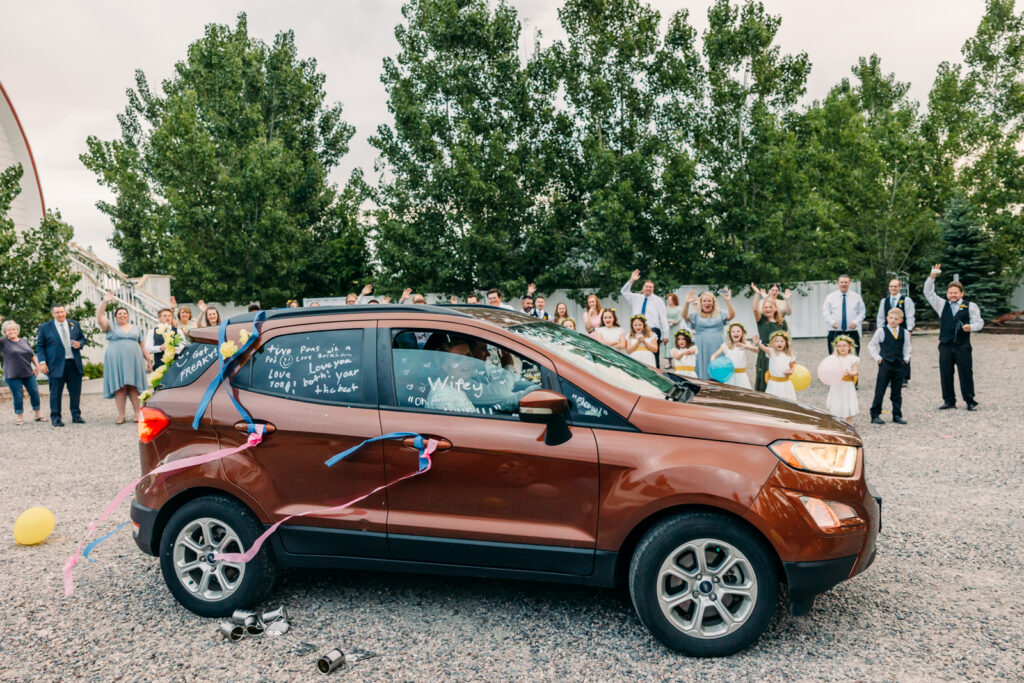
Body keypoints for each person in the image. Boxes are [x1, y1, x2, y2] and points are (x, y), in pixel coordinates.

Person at [924, 264, 983, 410]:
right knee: (945, 373)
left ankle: (970, 400)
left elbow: (979, 322)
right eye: (950, 293)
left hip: (962, 345)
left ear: (962, 293)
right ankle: (949, 400)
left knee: (965, 373)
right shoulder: (941, 305)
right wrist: (932, 277)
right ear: (947, 294)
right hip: (945, 344)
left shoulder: (971, 306)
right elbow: (928, 292)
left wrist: (971, 327)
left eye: (956, 293)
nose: (953, 295)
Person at [98, 292, 151, 424]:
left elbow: (142, 345)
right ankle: (121, 415)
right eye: (119, 313)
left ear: (128, 315)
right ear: (115, 316)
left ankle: (137, 413)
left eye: (124, 313)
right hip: (116, 359)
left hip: (134, 360)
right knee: (120, 387)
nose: (122, 315)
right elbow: (100, 317)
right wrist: (105, 302)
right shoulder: (110, 326)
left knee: (134, 386)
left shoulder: (136, 328)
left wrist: (148, 360)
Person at [36, 303, 87, 426]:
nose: (60, 314)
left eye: (62, 311)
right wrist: (42, 363)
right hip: (55, 366)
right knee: (55, 393)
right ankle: (56, 418)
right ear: (53, 314)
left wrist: (80, 344)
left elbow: (83, 339)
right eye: (57, 312)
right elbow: (40, 346)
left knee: (75, 392)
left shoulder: (75, 324)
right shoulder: (45, 327)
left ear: (65, 312)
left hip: (73, 364)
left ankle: (76, 415)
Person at [868, 307, 911, 425]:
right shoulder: (881, 331)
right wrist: (878, 358)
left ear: (901, 320)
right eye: (891, 318)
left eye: (896, 319)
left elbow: (907, 346)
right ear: (887, 318)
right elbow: (872, 345)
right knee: (880, 390)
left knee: (897, 391)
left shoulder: (904, 332)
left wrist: (906, 358)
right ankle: (875, 414)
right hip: (885, 364)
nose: (893, 321)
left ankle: (897, 414)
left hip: (899, 365)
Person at [682, 288, 736, 380]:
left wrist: (728, 301)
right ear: (701, 303)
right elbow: (685, 316)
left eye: (709, 301)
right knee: (703, 366)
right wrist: (686, 303)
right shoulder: (695, 315)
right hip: (701, 345)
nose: (707, 303)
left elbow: (731, 315)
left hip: (718, 344)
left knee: (718, 365)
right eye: (704, 301)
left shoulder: (720, 313)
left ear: (713, 302)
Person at [0, 317, 44, 424]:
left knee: (34, 392)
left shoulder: (24, 341)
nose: (12, 332)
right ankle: (20, 417)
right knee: (18, 395)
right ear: (5, 332)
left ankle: (37, 415)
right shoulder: (3, 342)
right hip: (12, 375)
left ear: (17, 330)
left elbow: (31, 355)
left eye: (13, 329)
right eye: (9, 330)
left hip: (28, 373)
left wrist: (37, 366)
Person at [620, 270, 669, 358]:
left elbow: (663, 318)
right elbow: (623, 292)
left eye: (651, 287)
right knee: (636, 354)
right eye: (647, 286)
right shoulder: (636, 298)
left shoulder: (658, 301)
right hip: (637, 329)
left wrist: (665, 334)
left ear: (653, 289)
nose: (648, 288)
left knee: (653, 356)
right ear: (643, 287)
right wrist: (631, 280)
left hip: (652, 331)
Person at [876, 278, 915, 386]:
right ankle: (888, 377)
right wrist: (880, 330)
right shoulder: (884, 301)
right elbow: (880, 317)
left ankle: (904, 377)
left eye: (895, 286)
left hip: (902, 330)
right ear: (889, 288)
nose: (893, 288)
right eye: (891, 286)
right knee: (887, 353)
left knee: (903, 352)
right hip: (887, 331)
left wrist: (909, 330)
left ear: (900, 287)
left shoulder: (906, 300)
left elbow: (910, 316)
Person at [425, 341, 478, 413]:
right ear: (445, 366)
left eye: (468, 356)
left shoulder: (458, 387)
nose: (466, 362)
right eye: (457, 359)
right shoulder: (443, 397)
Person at [822, 274, 865, 354]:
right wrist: (832, 322)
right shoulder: (830, 297)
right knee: (834, 356)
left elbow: (862, 312)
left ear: (849, 283)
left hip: (852, 331)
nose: (844, 284)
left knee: (854, 355)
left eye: (846, 282)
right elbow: (825, 312)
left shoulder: (856, 297)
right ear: (838, 283)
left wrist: (856, 322)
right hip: (835, 331)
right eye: (842, 282)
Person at [710, 322, 758, 390]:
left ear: (742, 333)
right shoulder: (726, 345)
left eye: (738, 331)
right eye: (733, 332)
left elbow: (756, 350)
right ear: (730, 334)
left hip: (741, 376)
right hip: (729, 376)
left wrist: (746, 347)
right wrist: (714, 363)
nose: (736, 333)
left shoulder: (746, 344)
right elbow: (714, 356)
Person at [826, 335, 859, 423]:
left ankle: (849, 422)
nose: (842, 348)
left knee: (847, 401)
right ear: (836, 347)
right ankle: (836, 422)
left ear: (849, 347)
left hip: (847, 384)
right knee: (837, 400)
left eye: (844, 345)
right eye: (839, 346)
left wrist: (850, 373)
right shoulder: (835, 358)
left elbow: (855, 371)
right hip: (837, 384)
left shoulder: (853, 358)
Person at [758, 331, 796, 401]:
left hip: (785, 383)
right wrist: (758, 343)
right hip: (774, 383)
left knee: (787, 400)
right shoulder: (771, 352)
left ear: (786, 343)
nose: (779, 343)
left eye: (782, 341)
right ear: (773, 343)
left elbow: (792, 366)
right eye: (777, 341)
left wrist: (791, 371)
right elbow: (764, 348)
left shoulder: (790, 355)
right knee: (773, 400)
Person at [663, 293, 684, 369]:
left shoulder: (679, 309)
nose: (669, 301)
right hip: (668, 329)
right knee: (668, 344)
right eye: (668, 299)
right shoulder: (665, 308)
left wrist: (673, 321)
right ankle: (669, 362)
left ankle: (677, 361)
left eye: (670, 299)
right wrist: (667, 321)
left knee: (676, 344)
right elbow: (663, 317)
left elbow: (679, 318)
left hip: (675, 329)